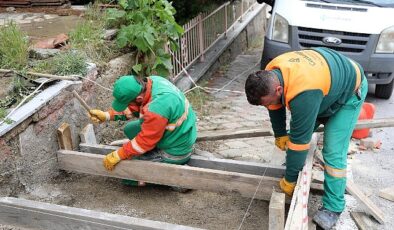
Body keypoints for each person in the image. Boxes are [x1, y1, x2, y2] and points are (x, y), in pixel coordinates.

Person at [244, 47, 367, 230]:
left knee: (332, 152)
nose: (268, 106)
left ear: (278, 89)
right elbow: (273, 106)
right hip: (325, 87)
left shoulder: (304, 94)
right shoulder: (271, 72)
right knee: (296, 135)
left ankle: (333, 207)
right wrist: (280, 134)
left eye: (268, 101)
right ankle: (294, 166)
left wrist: (290, 180)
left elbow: (300, 144)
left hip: (349, 93)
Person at [89, 75, 197, 186]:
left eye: (127, 103)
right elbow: (133, 108)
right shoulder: (152, 82)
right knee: (130, 129)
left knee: (127, 176)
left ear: (139, 99)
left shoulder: (156, 108)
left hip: (176, 150)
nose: (126, 106)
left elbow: (145, 141)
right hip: (179, 132)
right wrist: (107, 115)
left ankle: (177, 180)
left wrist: (119, 154)